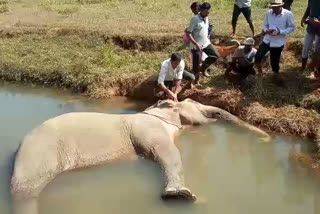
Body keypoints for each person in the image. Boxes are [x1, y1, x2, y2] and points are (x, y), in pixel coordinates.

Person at [255, 0, 295, 79]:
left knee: (274, 62)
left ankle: (275, 75)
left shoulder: (288, 14)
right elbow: (265, 25)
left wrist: (280, 32)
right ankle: (260, 73)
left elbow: (291, 27)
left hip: (278, 42)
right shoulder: (268, 13)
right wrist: (266, 30)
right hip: (267, 40)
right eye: (273, 7)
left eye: (276, 8)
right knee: (258, 57)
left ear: (281, 6)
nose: (274, 9)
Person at [187, 2, 220, 85]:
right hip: (196, 45)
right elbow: (189, 33)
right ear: (201, 10)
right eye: (206, 11)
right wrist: (195, 43)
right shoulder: (195, 19)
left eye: (208, 11)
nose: (208, 13)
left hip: (205, 43)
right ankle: (195, 81)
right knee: (195, 66)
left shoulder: (207, 17)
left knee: (215, 55)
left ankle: (203, 68)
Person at [301, 0, 320, 70]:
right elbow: (309, 8)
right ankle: (303, 68)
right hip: (311, 26)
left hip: (319, 30)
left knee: (316, 50)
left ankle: (315, 69)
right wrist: (304, 17)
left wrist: (318, 22)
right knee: (306, 47)